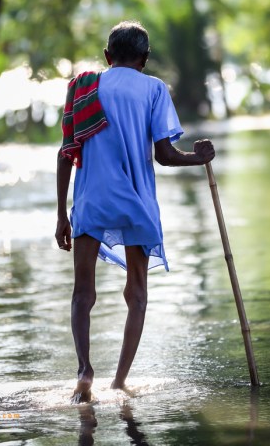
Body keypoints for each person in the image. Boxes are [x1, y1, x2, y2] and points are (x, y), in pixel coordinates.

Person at [55, 21, 215, 404]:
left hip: (91, 200)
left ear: (107, 56)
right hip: (137, 203)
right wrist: (199, 158)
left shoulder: (83, 88)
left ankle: (84, 371)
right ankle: (119, 381)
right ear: (144, 59)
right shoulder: (155, 89)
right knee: (137, 295)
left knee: (82, 293)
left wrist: (61, 214)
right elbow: (165, 155)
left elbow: (66, 153)